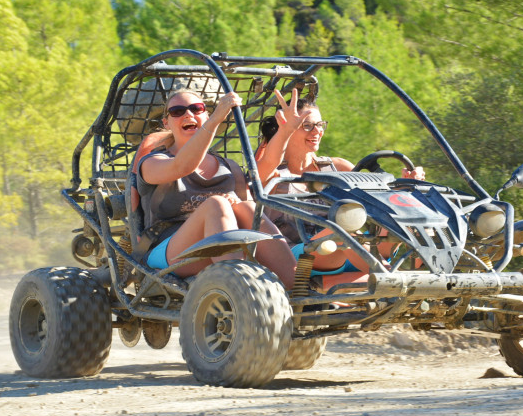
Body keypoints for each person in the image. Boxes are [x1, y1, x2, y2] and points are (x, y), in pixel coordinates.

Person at [255, 89, 425, 280]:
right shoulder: (272, 173)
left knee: (407, 219)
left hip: (350, 249)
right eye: (307, 126)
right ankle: (395, 281)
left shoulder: (337, 167)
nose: (318, 131)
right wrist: (285, 130)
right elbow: (267, 162)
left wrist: (408, 187)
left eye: (320, 125)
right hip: (300, 255)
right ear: (288, 127)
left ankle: (436, 280)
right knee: (341, 230)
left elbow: (381, 198)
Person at [136, 89, 296, 289]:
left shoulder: (229, 167)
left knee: (248, 208)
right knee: (216, 204)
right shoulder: (153, 162)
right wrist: (215, 121)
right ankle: (241, 289)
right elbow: (182, 166)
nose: (188, 115)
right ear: (166, 123)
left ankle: (296, 288)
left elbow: (265, 169)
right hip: (168, 252)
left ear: (204, 114)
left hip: (222, 253)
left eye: (196, 109)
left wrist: (286, 131)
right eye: (177, 111)